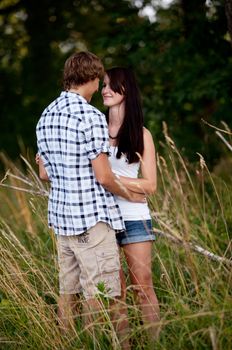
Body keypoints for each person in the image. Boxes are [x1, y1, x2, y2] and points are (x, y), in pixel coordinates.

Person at [36, 52, 144, 348]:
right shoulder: (90, 116)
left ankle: (68, 343)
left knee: (68, 293)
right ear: (92, 78)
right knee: (103, 293)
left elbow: (45, 174)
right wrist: (130, 192)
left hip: (61, 221)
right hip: (91, 220)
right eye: (99, 82)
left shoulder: (46, 115)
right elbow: (104, 177)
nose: (98, 89)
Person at [101, 67, 160, 340]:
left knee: (143, 286)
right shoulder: (97, 130)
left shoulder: (141, 133)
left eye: (112, 85)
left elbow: (150, 185)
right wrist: (129, 188)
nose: (105, 90)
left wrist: (112, 180)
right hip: (103, 218)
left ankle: (155, 344)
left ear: (127, 91)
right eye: (103, 85)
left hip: (135, 218)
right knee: (116, 291)